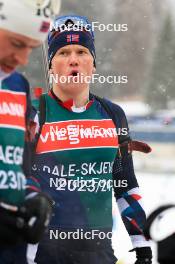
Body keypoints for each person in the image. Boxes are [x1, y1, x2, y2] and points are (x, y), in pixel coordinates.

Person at [29, 15, 153, 264]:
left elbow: (125, 185)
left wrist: (142, 247)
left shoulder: (112, 114)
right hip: (42, 254)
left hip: (98, 253)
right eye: (63, 52)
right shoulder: (34, 112)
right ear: (50, 66)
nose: (73, 59)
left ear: (93, 64)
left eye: (82, 51)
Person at [0, 0, 61, 259]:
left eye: (32, 48)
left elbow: (15, 164)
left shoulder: (16, 85)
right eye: (16, 43)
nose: (23, 59)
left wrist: (32, 197)